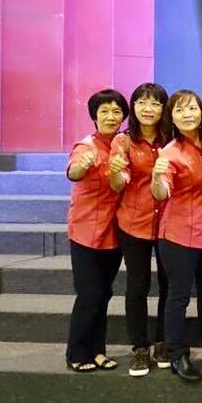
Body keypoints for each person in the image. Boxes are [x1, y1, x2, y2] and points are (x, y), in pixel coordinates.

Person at [151, 90, 202, 382]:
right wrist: (157, 177)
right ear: (171, 118)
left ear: (201, 111)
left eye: (192, 108)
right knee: (178, 296)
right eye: (179, 110)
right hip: (179, 235)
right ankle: (177, 353)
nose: (187, 115)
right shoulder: (170, 152)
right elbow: (162, 192)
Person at [107, 83, 170, 376]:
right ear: (133, 107)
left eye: (155, 103)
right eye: (142, 102)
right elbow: (117, 184)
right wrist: (115, 173)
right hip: (134, 223)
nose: (148, 109)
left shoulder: (172, 139)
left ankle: (163, 342)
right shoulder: (123, 142)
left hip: (169, 223)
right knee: (137, 286)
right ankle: (140, 348)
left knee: (169, 286)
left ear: (164, 109)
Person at [65, 89, 129, 373]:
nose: (111, 116)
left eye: (116, 111)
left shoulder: (123, 144)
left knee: (104, 294)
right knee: (90, 294)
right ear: (94, 116)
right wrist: (81, 166)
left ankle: (98, 351)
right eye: (104, 111)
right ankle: (77, 353)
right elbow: (73, 172)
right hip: (85, 231)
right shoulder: (86, 145)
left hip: (113, 232)